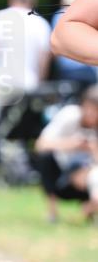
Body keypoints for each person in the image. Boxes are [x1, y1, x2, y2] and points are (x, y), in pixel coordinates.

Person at [0, 0, 52, 125]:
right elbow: (44, 59)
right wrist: (39, 82)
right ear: (33, 2)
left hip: (0, 81)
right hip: (28, 84)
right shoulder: (40, 23)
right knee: (22, 127)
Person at [34, 84, 98, 222]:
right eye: (90, 109)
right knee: (46, 157)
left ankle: (90, 210)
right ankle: (52, 212)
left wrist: (93, 150)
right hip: (61, 173)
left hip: (86, 174)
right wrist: (73, 144)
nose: (92, 114)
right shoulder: (70, 115)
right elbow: (40, 144)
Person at [50, 0, 98, 88]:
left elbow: (54, 46)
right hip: (88, 70)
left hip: (67, 73)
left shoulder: (58, 16)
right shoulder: (89, 19)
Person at [51, 0, 98, 67]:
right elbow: (59, 39)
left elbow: (54, 46)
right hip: (86, 68)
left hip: (67, 68)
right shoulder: (63, 17)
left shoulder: (57, 16)